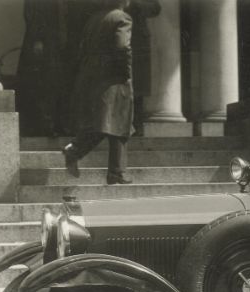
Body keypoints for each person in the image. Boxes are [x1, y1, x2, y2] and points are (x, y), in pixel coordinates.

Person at [63, 0, 134, 185]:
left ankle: (113, 170)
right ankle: (115, 172)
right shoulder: (122, 17)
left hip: (91, 75)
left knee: (107, 121)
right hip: (113, 77)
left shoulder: (94, 19)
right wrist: (125, 73)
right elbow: (122, 47)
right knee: (118, 121)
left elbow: (83, 48)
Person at [17, 0, 69, 137]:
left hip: (55, 43)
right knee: (41, 84)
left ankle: (55, 124)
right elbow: (32, 13)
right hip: (42, 43)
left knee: (55, 83)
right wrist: (37, 39)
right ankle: (43, 126)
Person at [126, 0, 161, 136]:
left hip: (138, 41)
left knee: (139, 87)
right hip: (119, 37)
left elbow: (155, 8)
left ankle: (136, 125)